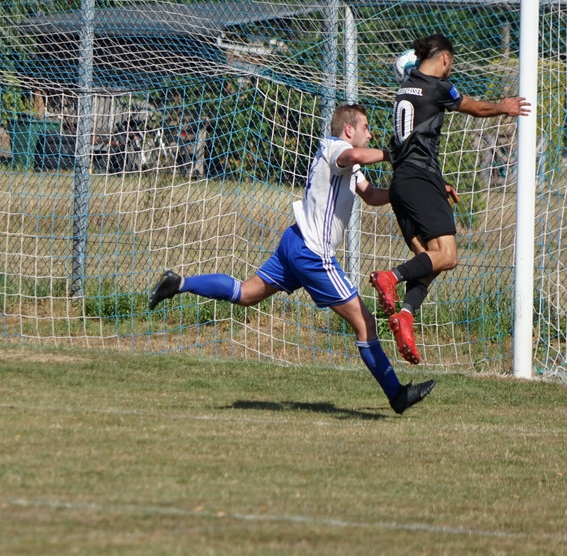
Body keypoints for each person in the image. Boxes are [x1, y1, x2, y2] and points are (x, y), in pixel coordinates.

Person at [149, 104, 434, 415]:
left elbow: (371, 195)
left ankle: (179, 283)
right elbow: (354, 155)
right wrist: (393, 154)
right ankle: (397, 395)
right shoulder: (337, 148)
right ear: (349, 130)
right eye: (365, 127)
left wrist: (407, 190)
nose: (370, 134)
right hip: (313, 253)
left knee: (246, 293)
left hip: (295, 242)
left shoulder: (345, 160)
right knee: (365, 324)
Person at [368, 34, 531, 365]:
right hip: (420, 180)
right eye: (451, 63)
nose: (450, 69)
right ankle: (391, 277)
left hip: (402, 183)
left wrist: (437, 182)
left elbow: (405, 146)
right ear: (444, 58)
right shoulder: (437, 87)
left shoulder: (406, 87)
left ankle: (406, 316)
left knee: (430, 260)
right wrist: (504, 107)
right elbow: (475, 108)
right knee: (449, 255)